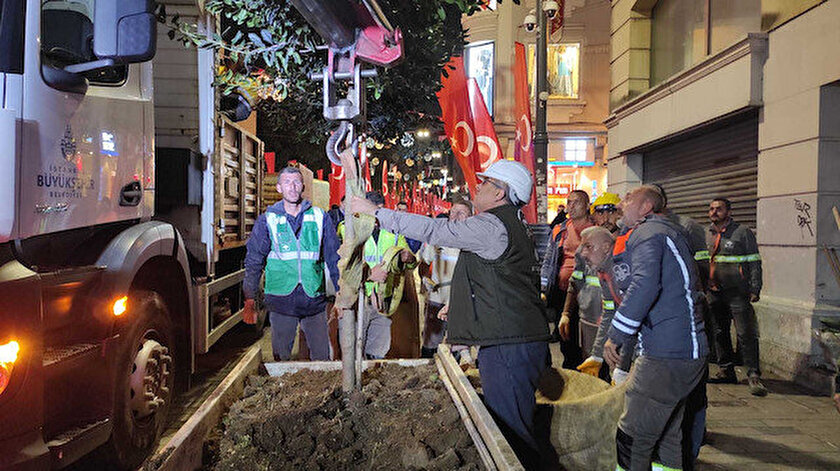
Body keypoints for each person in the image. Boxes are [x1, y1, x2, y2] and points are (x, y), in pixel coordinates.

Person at [350, 160, 554, 470]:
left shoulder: (491, 225)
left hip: (508, 344)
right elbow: (502, 281)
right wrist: (460, 305)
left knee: (512, 438)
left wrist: (376, 212)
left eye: (484, 184)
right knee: (515, 424)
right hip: (517, 339)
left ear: (499, 193)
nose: (478, 188)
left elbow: (436, 229)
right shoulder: (511, 222)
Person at [603, 185, 708, 471]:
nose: (621, 204)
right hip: (683, 352)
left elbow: (644, 286)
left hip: (666, 355)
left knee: (631, 437)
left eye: (628, 199)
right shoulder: (667, 232)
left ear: (647, 207)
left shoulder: (648, 234)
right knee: (667, 437)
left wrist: (615, 336)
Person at [243, 167, 339, 361]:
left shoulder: (320, 217)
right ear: (279, 188)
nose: (292, 187)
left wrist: (340, 292)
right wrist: (250, 296)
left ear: (303, 186)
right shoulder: (267, 220)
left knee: (322, 359)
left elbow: (334, 258)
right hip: (281, 300)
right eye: (287, 183)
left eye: (296, 182)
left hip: (313, 298)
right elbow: (254, 260)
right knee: (281, 360)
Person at [705, 197, 767, 396]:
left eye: (719, 209)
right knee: (719, 332)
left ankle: (753, 373)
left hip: (737, 293)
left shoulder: (742, 233)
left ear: (729, 212)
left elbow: (754, 261)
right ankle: (726, 370)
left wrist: (755, 288)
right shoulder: (706, 234)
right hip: (714, 292)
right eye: (712, 209)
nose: (714, 212)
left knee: (745, 333)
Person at [355, 191, 417, 359]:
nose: (376, 218)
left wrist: (409, 258)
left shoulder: (394, 233)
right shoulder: (351, 231)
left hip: (384, 300)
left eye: (379, 211)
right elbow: (345, 267)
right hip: (359, 298)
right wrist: (368, 276)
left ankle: (371, 378)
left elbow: (410, 262)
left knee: (377, 351)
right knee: (355, 347)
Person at [576, 226, 636, 385]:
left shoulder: (622, 269)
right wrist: (596, 355)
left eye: (588, 247)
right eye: (583, 248)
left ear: (606, 247)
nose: (583, 254)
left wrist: (623, 367)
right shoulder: (603, 272)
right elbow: (609, 313)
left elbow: (635, 317)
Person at [541, 190, 593, 367]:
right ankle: (571, 369)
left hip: (588, 293)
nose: (571, 206)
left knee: (588, 336)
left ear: (587, 205)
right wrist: (544, 287)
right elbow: (549, 259)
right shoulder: (560, 228)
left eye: (576, 202)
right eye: (569, 202)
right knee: (566, 335)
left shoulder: (596, 229)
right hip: (562, 290)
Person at [417, 199, 473, 358]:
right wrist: (425, 282)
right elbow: (424, 262)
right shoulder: (438, 238)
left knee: (459, 345)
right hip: (437, 298)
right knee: (430, 342)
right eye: (453, 212)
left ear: (470, 217)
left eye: (461, 213)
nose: (455, 217)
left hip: (462, 300)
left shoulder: (473, 241)